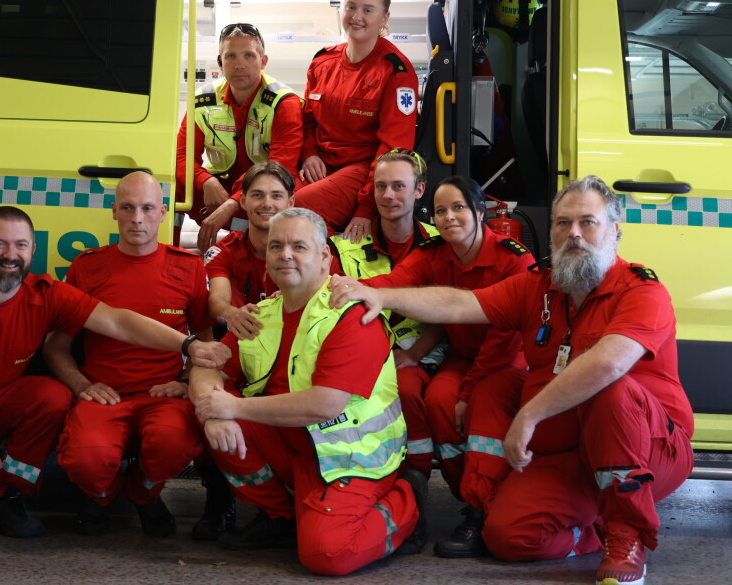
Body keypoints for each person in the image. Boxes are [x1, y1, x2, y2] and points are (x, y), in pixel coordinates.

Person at [331, 176, 694, 585]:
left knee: (610, 388)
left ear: (615, 231)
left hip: (649, 447)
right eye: (562, 223)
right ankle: (587, 529)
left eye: (587, 223)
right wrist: (380, 295)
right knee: (506, 536)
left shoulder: (641, 290)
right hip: (568, 449)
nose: (573, 233)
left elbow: (609, 363)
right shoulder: (541, 287)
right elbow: (461, 302)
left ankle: (627, 536)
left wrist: (529, 416)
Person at [0, 205, 229, 537]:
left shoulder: (45, 294)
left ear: (33, 250)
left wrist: (188, 347)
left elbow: (116, 320)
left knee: (52, 397)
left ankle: (5, 496)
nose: (11, 254)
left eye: (20, 245)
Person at [190, 207, 426, 576]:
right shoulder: (262, 314)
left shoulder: (352, 316)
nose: (285, 254)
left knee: (327, 555)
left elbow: (324, 404)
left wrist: (230, 408)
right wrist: (213, 408)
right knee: (213, 419)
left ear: (325, 258)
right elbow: (208, 364)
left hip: (348, 456)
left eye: (299, 246)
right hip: (293, 446)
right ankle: (282, 517)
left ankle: (409, 499)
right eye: (276, 246)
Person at [340, 175, 535, 557]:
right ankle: (473, 503)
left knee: (479, 411)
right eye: (441, 211)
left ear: (480, 212)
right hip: (462, 359)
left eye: (459, 208)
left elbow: (503, 340)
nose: (448, 218)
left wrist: (468, 392)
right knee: (437, 403)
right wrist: (355, 288)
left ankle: (484, 508)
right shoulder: (433, 254)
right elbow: (397, 281)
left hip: (505, 363)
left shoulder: (514, 259)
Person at [43, 172, 221, 538]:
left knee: (174, 443)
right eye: (127, 207)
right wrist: (80, 384)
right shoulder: (87, 267)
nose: (137, 218)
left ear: (162, 212)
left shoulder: (188, 268)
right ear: (114, 212)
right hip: (104, 393)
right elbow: (55, 346)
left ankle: (143, 493)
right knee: (86, 458)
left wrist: (184, 381)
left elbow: (205, 344)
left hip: (164, 395)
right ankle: (103, 495)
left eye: (147, 208)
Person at [328, 149, 440, 478]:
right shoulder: (343, 246)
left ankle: (415, 481)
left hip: (421, 353)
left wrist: (414, 355)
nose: (388, 195)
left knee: (404, 390)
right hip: (362, 356)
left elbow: (449, 313)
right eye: (380, 187)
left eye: (398, 186)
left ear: (419, 190)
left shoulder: (439, 243)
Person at [293, 0, 418, 240]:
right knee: (267, 198)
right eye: (350, 7)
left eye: (368, 10)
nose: (356, 17)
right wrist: (309, 153)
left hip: (365, 169)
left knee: (301, 206)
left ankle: (328, 273)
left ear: (385, 18)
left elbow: (393, 151)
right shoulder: (322, 62)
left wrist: (367, 206)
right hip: (319, 164)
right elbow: (307, 121)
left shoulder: (396, 72)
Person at [175, 23, 304, 251]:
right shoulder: (202, 100)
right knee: (170, 186)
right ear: (220, 62)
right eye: (231, 56)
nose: (239, 64)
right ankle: (169, 252)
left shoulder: (284, 102)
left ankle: (246, 243)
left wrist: (233, 203)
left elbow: (281, 169)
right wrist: (206, 181)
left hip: (260, 191)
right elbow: (181, 156)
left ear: (263, 62)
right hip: (219, 188)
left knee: (280, 194)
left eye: (249, 55)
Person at [203, 161, 295, 340]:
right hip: (240, 339)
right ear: (243, 202)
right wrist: (231, 313)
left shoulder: (311, 252)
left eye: (276, 196)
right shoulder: (222, 252)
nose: (267, 204)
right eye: (258, 195)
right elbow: (217, 301)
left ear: (290, 203)